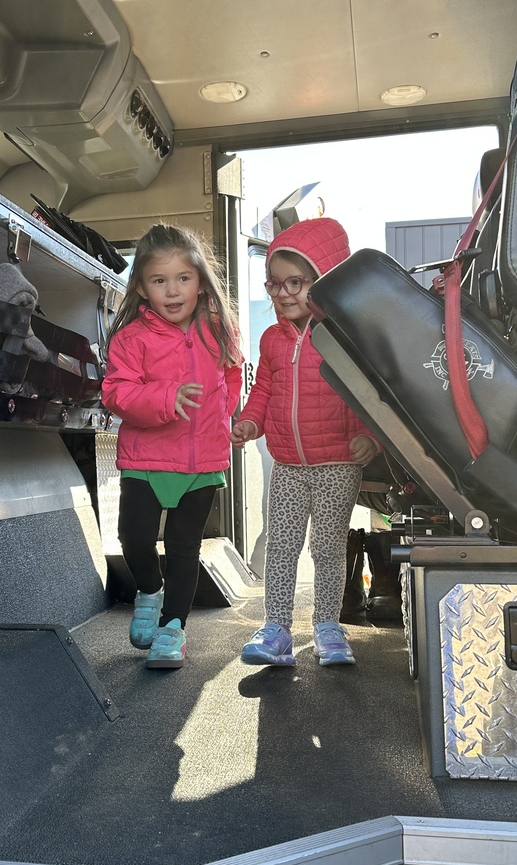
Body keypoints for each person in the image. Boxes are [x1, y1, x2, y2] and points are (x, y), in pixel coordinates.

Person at [231, 217, 379, 667]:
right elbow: (263, 390)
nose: (283, 293)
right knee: (282, 544)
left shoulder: (345, 337)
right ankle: (276, 628)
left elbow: (371, 394)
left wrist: (371, 437)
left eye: (296, 282)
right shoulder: (272, 340)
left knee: (328, 546)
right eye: (274, 284)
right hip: (289, 464)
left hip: (338, 460)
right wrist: (250, 422)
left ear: (325, 280)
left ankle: (328, 627)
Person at [101, 223, 243, 669]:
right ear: (142, 289)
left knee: (185, 549)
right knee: (134, 539)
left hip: (202, 461)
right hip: (145, 459)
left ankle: (173, 629)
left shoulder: (219, 329)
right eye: (159, 281)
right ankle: (148, 588)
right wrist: (167, 399)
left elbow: (233, 374)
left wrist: (226, 415)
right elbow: (116, 393)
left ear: (200, 280)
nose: (173, 290)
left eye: (183, 278)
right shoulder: (131, 338)